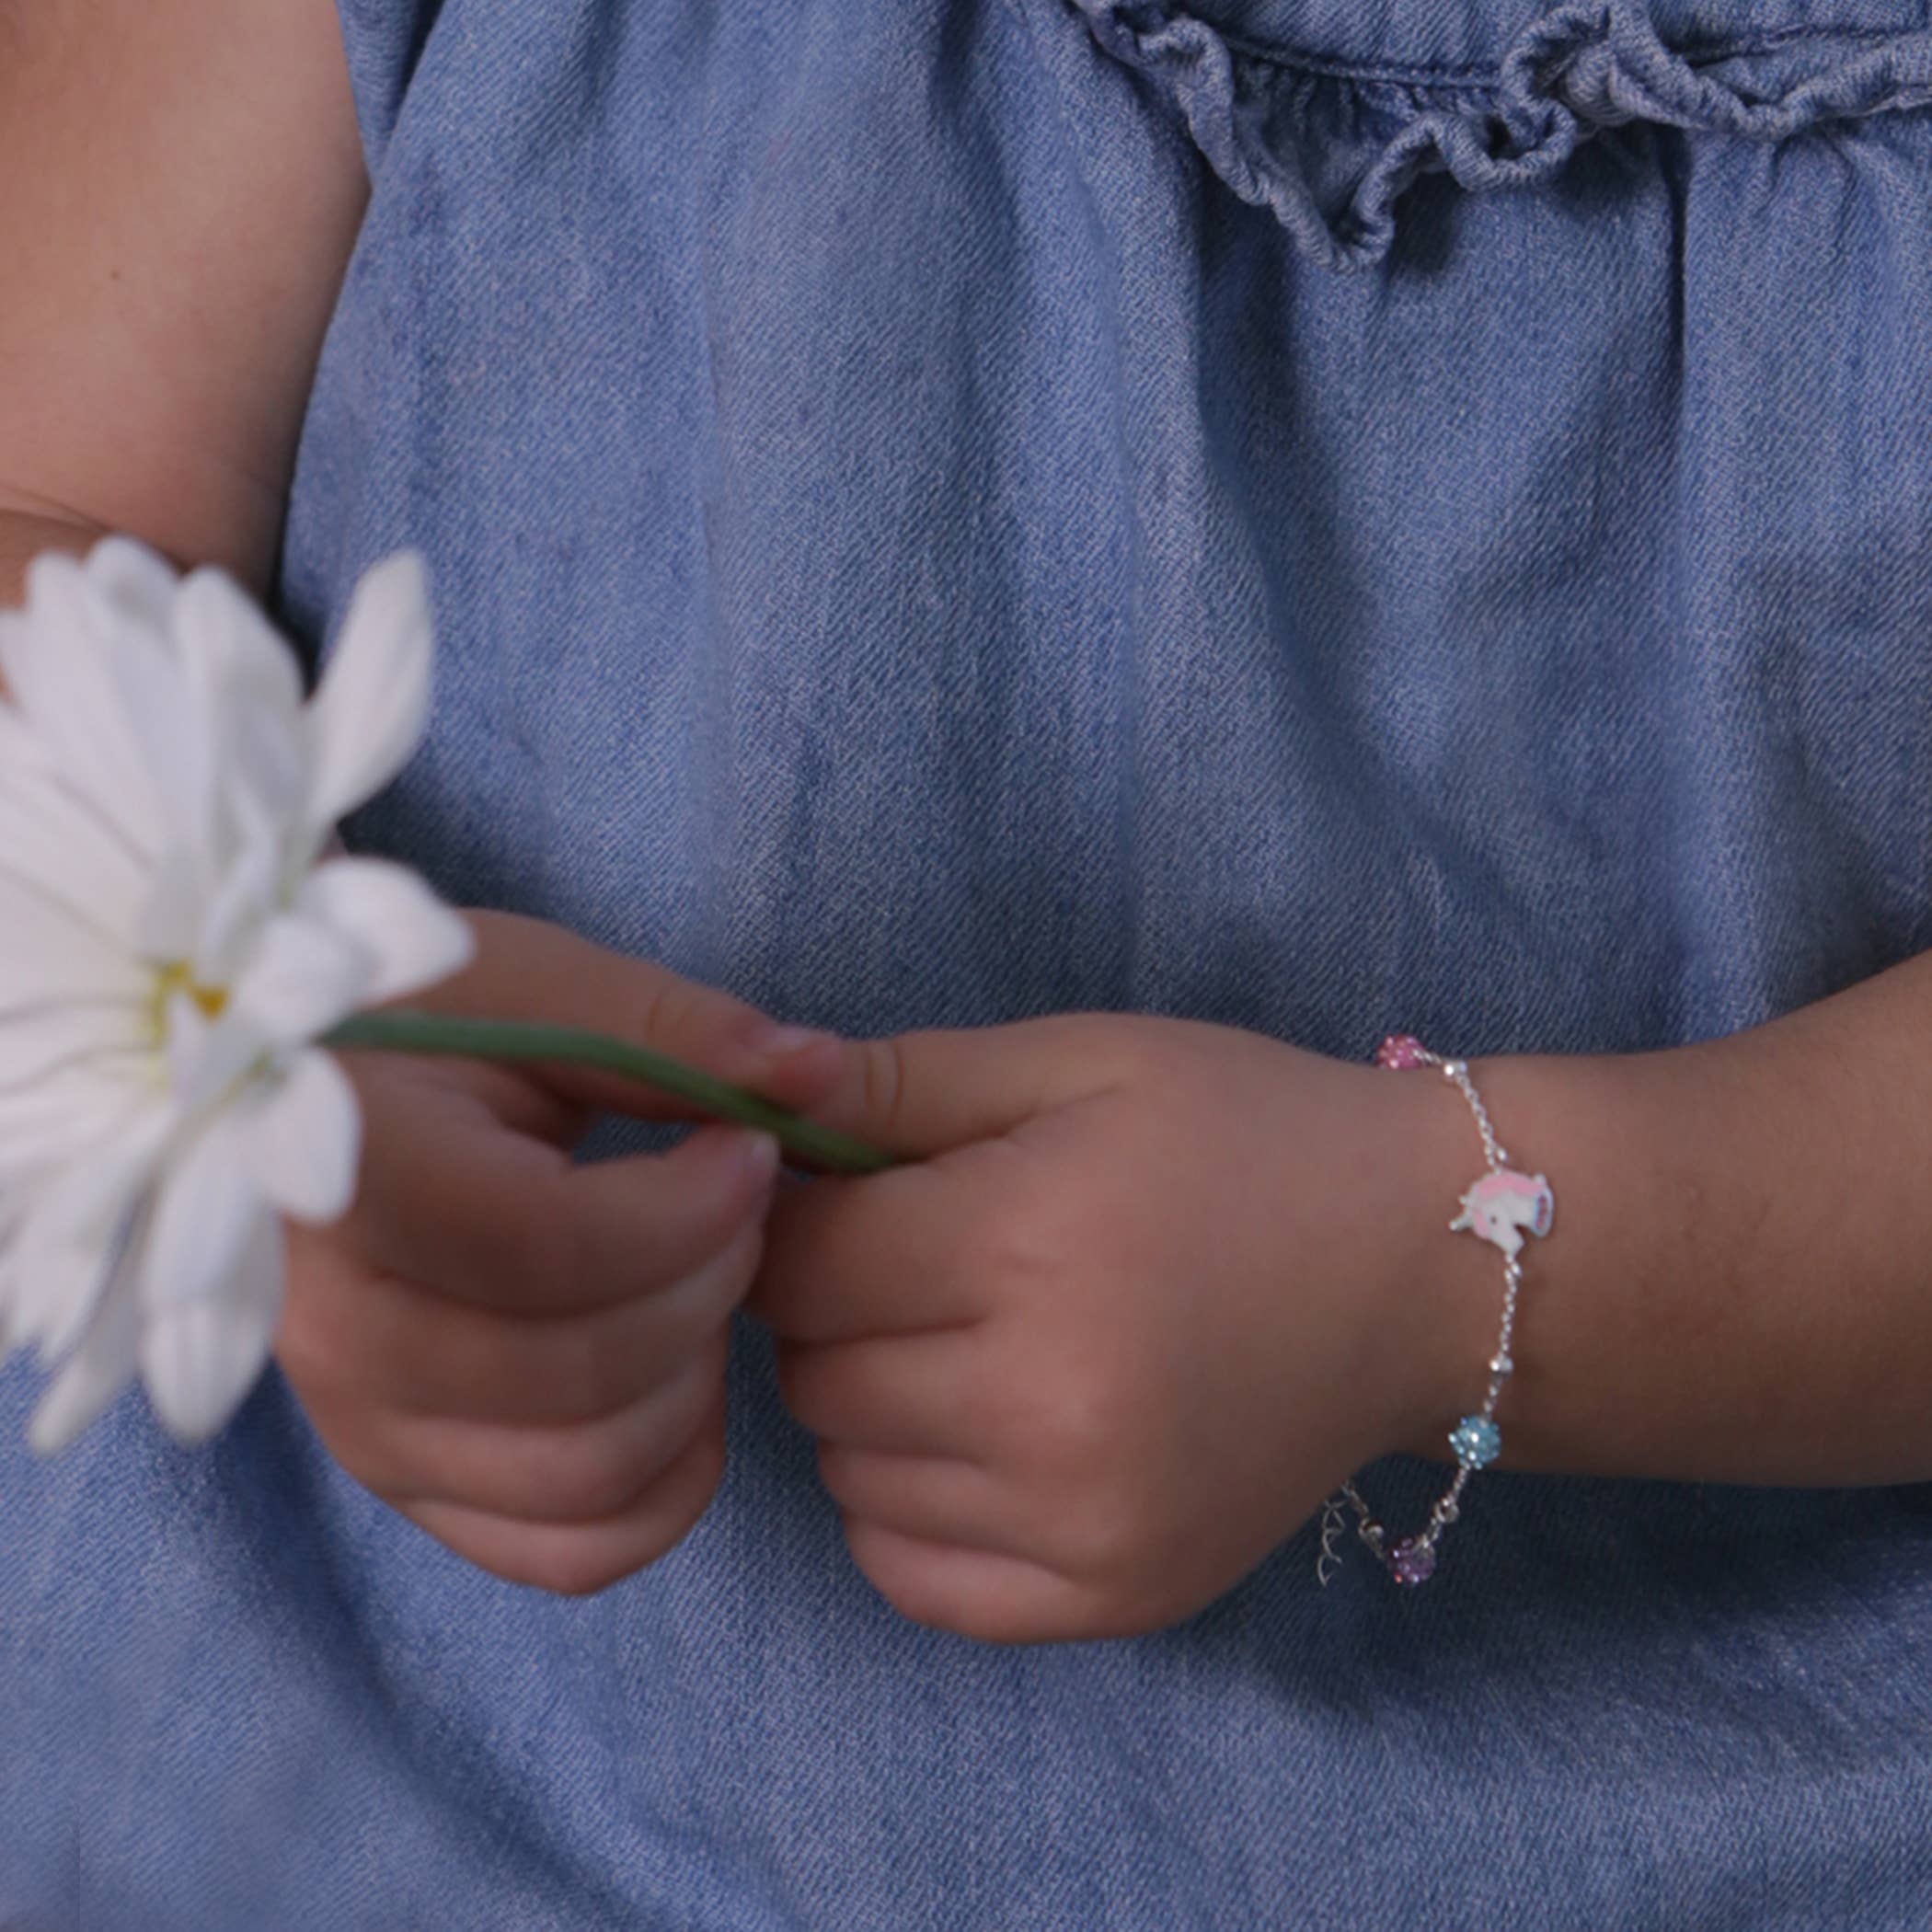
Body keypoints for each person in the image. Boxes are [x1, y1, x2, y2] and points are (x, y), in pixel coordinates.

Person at [2, 0, 1929, 1925]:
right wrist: (274, 1068)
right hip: (342, 1747)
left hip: (1651, 1789)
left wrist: (1437, 1258)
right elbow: (57, 504)